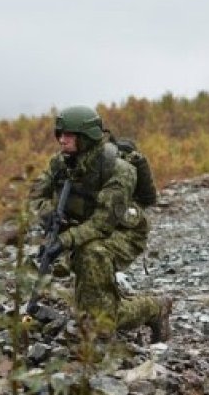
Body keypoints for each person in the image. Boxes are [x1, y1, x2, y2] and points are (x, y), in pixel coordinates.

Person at [28, 105, 173, 342]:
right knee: (91, 310)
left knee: (92, 265)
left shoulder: (119, 170)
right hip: (84, 231)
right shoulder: (61, 164)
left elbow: (102, 224)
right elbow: (35, 195)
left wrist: (63, 241)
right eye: (60, 134)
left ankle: (156, 308)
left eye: (69, 135)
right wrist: (47, 213)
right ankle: (99, 311)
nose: (62, 140)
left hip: (122, 233)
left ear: (87, 138)